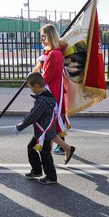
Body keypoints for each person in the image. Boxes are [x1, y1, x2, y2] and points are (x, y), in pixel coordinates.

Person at [38, 24, 75, 164]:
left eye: (43, 36)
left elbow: (46, 77)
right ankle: (49, 159)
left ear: (50, 36)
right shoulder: (53, 52)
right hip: (52, 92)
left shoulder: (54, 54)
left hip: (51, 93)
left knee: (48, 127)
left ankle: (66, 149)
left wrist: (33, 78)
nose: (41, 39)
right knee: (49, 126)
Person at [12, 71, 58, 185]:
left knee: (45, 154)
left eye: (31, 87)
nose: (31, 90)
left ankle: (51, 177)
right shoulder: (46, 94)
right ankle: (37, 171)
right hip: (42, 132)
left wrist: (20, 127)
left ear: (36, 86)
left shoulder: (42, 101)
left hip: (44, 134)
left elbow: (33, 116)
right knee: (31, 148)